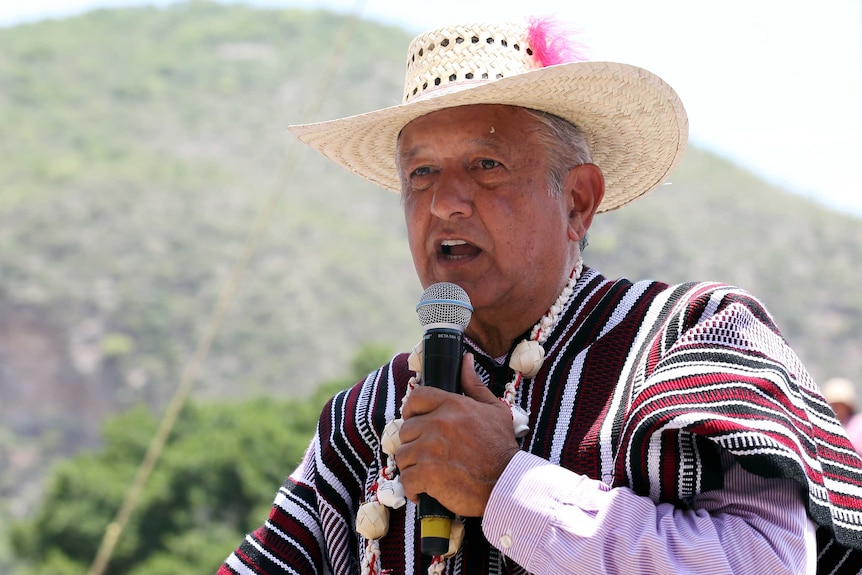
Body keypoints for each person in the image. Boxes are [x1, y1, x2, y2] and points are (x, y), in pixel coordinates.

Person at [219, 18, 862, 575]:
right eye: (421, 174)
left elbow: (771, 562)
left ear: (577, 201)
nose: (444, 203)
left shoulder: (694, 336)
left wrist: (507, 485)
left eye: (486, 166)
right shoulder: (366, 417)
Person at [824, 377, 862, 456]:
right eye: (833, 404)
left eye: (840, 405)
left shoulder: (858, 423)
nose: (837, 408)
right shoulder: (824, 426)